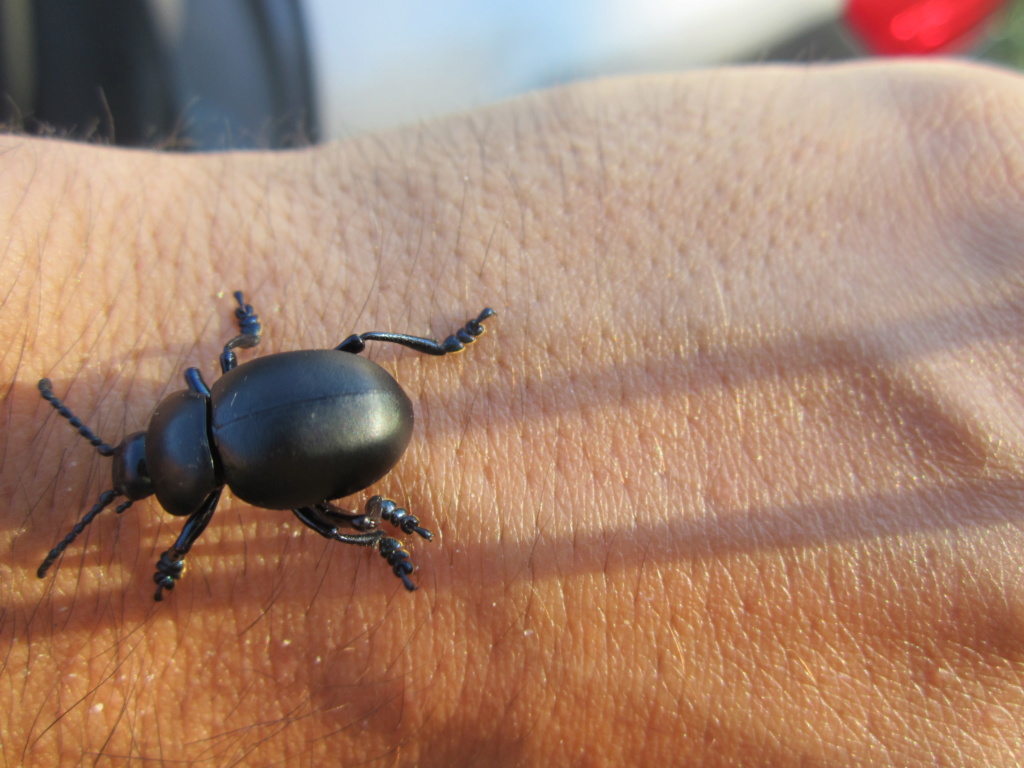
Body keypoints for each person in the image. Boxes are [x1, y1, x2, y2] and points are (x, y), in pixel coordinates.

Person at [3, 60, 1024, 766]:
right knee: (349, 400)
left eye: (131, 474)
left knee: (341, 509)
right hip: (339, 402)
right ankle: (396, 488)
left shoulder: (208, 460)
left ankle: (385, 520)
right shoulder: (210, 390)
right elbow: (240, 363)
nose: (134, 476)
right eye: (139, 479)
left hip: (352, 415)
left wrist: (173, 560)